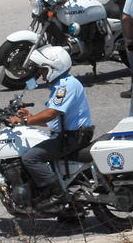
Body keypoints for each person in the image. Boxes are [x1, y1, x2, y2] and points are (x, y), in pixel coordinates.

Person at [8, 45, 93, 210]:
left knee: (30, 158)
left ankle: (58, 194)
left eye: (43, 69)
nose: (41, 73)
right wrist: (30, 118)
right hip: (68, 134)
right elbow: (52, 120)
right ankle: (71, 212)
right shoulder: (62, 84)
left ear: (54, 68)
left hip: (72, 138)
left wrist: (23, 122)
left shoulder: (65, 86)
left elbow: (51, 114)